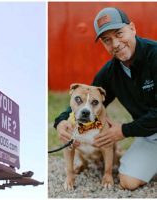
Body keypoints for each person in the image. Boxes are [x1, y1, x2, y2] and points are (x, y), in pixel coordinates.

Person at [54, 7, 157, 190]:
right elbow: (85, 103)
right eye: (107, 40)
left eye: (119, 34)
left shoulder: (154, 55)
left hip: (147, 126)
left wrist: (124, 130)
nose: (115, 43)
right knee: (127, 181)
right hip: (150, 134)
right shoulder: (109, 73)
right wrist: (60, 122)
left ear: (132, 28)